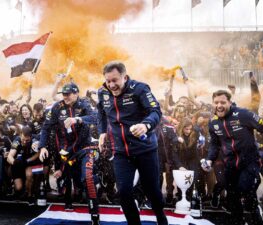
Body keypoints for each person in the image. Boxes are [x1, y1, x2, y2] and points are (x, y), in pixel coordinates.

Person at [97, 61, 168, 225]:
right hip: (121, 152)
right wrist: (102, 132)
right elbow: (100, 112)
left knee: (152, 191)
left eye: (115, 80)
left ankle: (161, 218)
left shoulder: (140, 89)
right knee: (123, 192)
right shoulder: (103, 92)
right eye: (108, 81)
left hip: (145, 149)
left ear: (125, 76)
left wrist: (145, 125)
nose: (111, 85)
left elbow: (155, 111)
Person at [201, 90, 263, 225]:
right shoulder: (212, 122)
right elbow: (214, 144)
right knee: (232, 198)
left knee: (245, 189)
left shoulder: (244, 114)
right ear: (212, 103)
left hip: (250, 162)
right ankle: (238, 221)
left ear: (230, 103)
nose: (219, 105)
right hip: (230, 164)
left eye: (223, 102)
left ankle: (256, 216)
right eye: (216, 102)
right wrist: (209, 159)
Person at [39, 82, 100, 225]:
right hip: (66, 150)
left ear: (76, 93)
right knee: (67, 178)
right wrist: (42, 146)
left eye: (68, 94)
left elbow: (96, 118)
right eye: (64, 94)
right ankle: (68, 202)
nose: (65, 97)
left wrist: (78, 119)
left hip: (85, 148)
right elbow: (45, 128)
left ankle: (95, 215)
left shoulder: (84, 104)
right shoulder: (57, 107)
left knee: (88, 178)